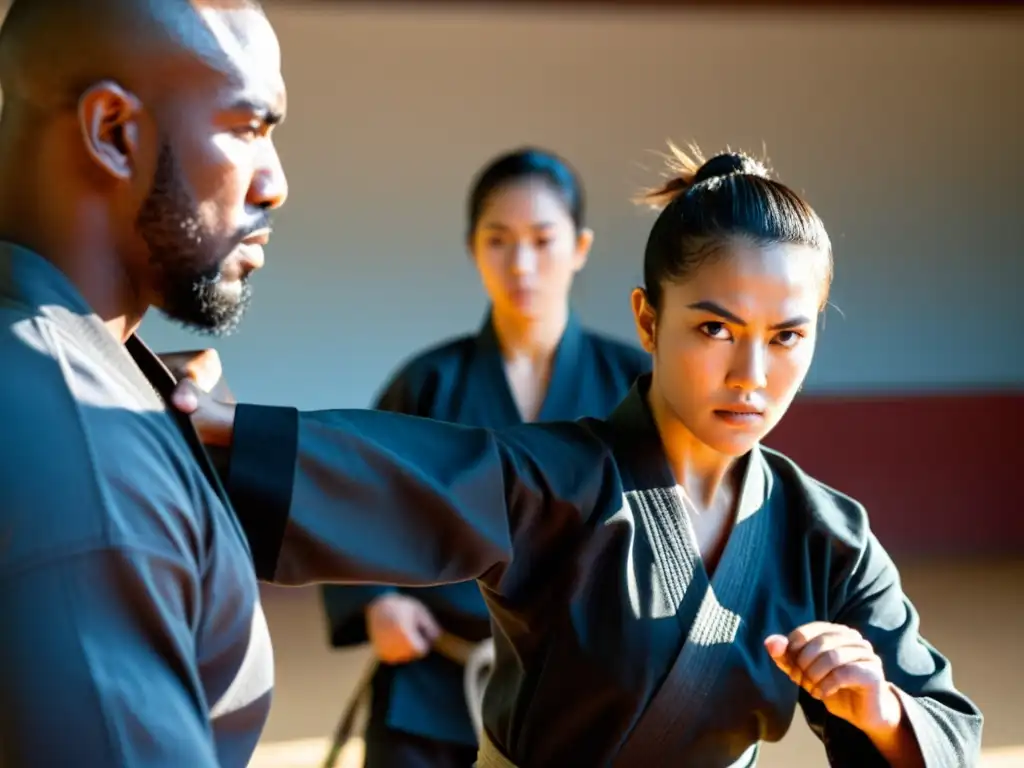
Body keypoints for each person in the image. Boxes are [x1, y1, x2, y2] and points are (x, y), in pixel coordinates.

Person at [173, 146, 983, 767]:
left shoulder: (828, 537)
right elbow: (404, 468)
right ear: (647, 319)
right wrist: (227, 427)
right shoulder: (553, 482)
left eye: (787, 336)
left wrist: (880, 713)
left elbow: (946, 726)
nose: (753, 375)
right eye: (714, 329)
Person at [0, 0, 290, 764]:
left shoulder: (82, 369)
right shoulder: (76, 438)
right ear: (115, 134)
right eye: (247, 127)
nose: (275, 184)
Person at [321, 147, 650, 768]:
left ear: (579, 248)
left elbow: (688, 521)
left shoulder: (635, 383)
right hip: (432, 682)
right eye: (498, 240)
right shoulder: (428, 382)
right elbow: (352, 499)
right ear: (473, 246)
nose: (521, 263)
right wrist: (375, 602)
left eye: (542, 240)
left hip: (591, 689)